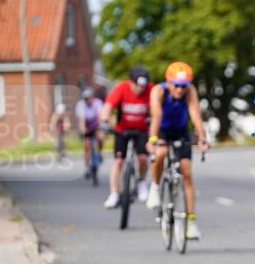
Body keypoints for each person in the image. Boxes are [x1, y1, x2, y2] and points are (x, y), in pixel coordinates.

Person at [145, 61, 210, 240]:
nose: (180, 90)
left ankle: (192, 223)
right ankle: (155, 188)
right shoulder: (158, 91)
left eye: (183, 86)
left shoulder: (190, 91)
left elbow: (195, 113)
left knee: (187, 172)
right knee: (161, 153)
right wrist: (152, 140)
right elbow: (156, 116)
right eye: (177, 85)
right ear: (168, 81)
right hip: (162, 130)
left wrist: (202, 137)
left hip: (181, 131)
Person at [100, 65, 153, 209]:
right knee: (118, 161)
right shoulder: (121, 88)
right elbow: (108, 106)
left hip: (142, 130)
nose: (140, 89)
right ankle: (114, 194)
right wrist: (105, 119)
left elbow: (158, 108)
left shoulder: (150, 90)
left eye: (143, 86)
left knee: (143, 157)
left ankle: (142, 182)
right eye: (137, 85)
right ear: (131, 82)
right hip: (122, 130)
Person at [75, 87, 105, 177]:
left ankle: (99, 152)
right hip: (87, 126)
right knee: (86, 145)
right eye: (86, 99)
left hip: (96, 125)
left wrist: (100, 128)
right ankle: (87, 167)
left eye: (89, 98)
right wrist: (82, 129)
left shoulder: (98, 103)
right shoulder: (80, 105)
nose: (88, 100)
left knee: (100, 137)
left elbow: (100, 116)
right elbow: (81, 119)